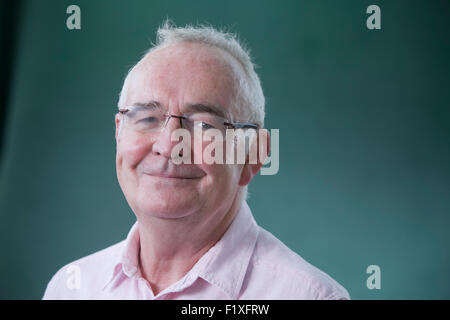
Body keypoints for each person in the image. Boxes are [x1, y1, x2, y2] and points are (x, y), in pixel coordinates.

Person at [43, 21, 350, 300]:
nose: (169, 145)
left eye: (204, 124)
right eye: (148, 118)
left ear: (253, 154)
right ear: (119, 134)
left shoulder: (310, 296)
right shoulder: (70, 288)